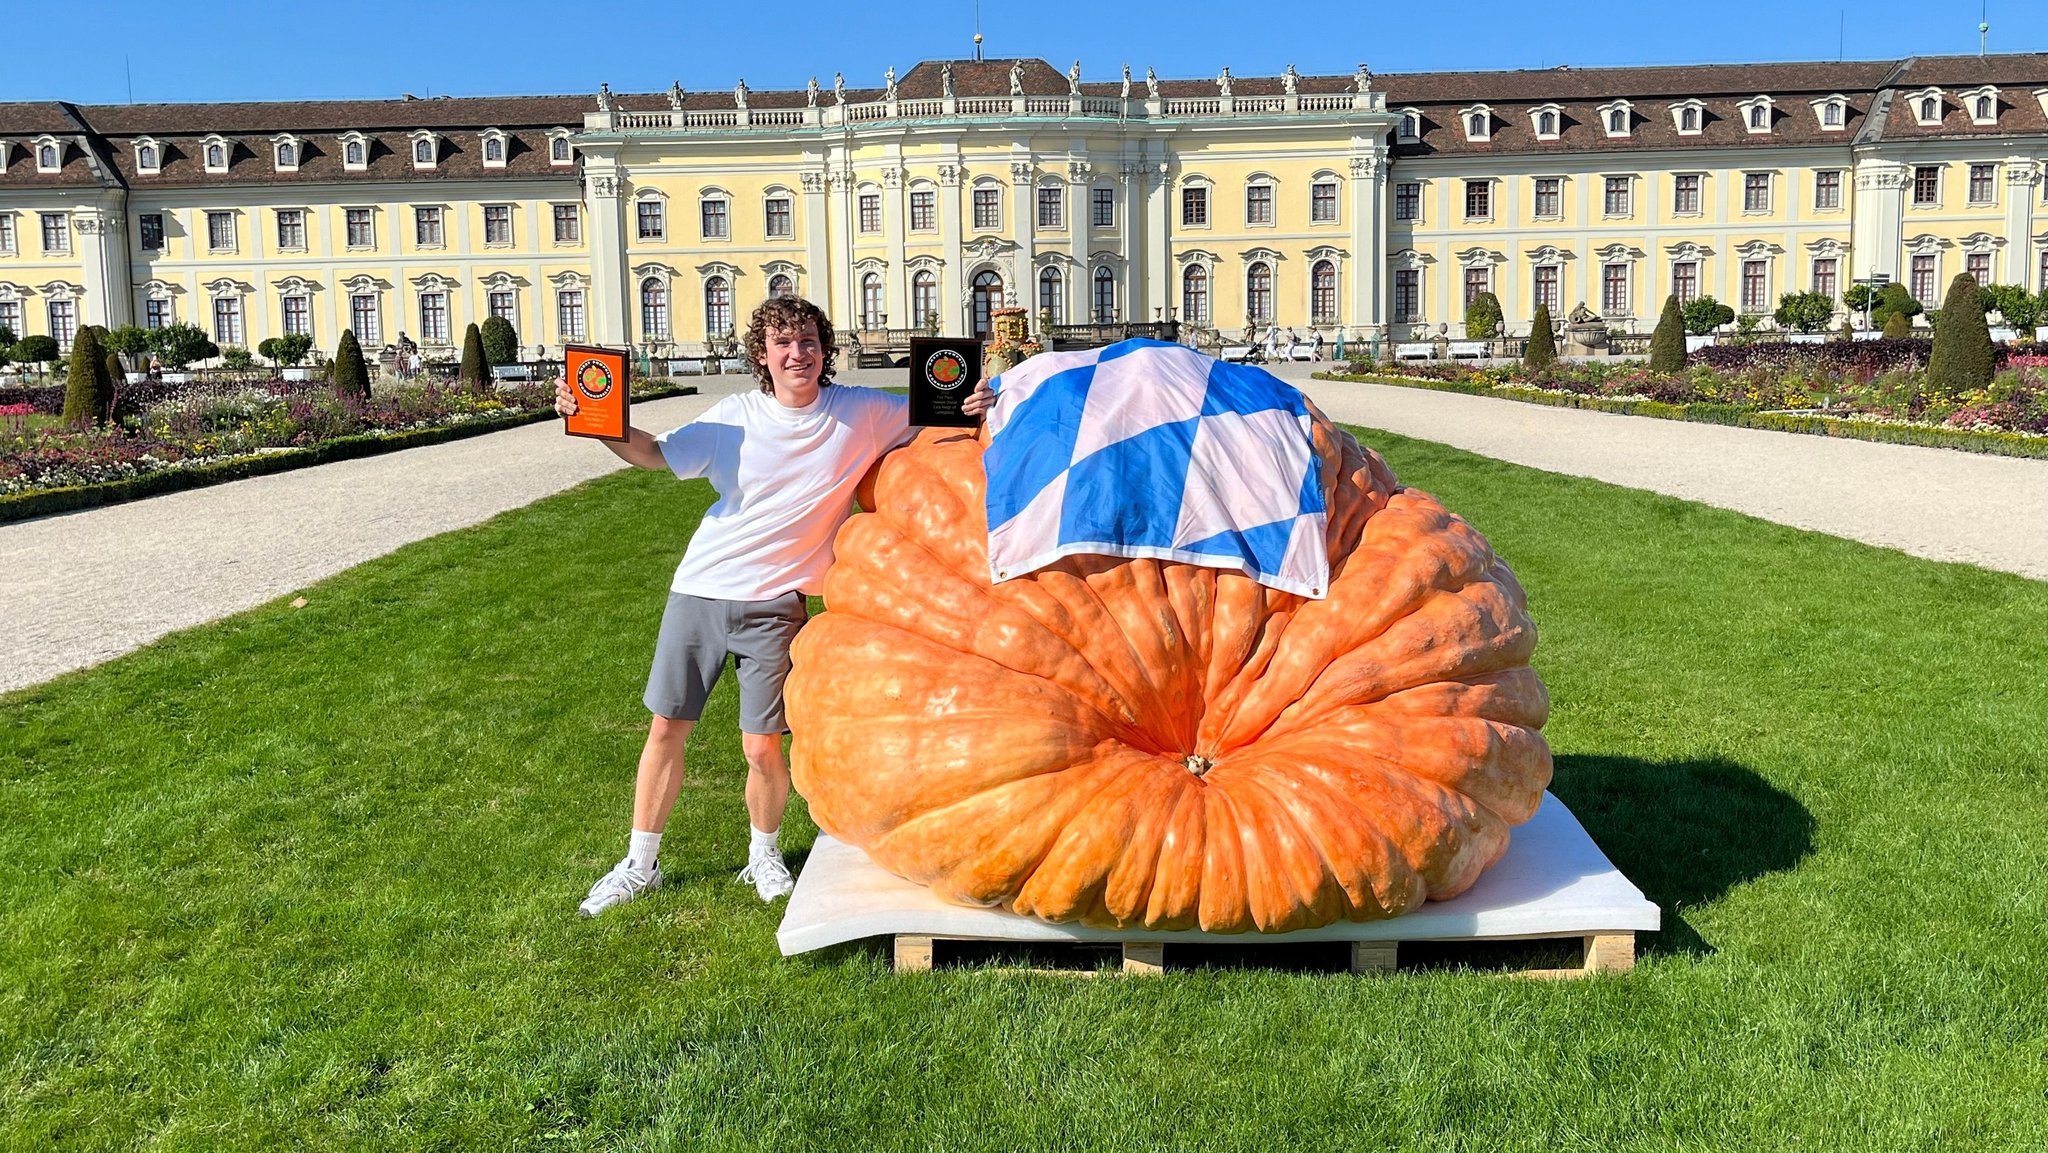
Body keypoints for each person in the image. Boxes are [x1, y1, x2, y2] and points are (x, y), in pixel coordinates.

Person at [561, 295, 993, 916]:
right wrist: (596, 421)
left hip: (778, 606)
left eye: (810, 342)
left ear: (825, 351)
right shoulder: (734, 416)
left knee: (763, 745)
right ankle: (640, 863)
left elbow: (935, 422)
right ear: (762, 355)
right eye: (784, 343)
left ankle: (763, 855)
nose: (798, 354)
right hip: (703, 590)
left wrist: (973, 405)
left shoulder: (862, 413)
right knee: (666, 729)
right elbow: (653, 452)